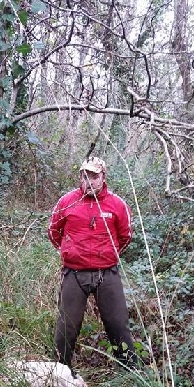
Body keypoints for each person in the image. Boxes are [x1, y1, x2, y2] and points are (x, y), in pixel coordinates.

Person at [48, 156, 137, 370]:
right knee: (66, 326)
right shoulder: (67, 201)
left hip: (107, 274)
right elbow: (53, 232)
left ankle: (130, 373)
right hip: (74, 274)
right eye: (85, 176)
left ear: (103, 177)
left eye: (94, 176)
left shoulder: (117, 204)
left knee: (118, 325)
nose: (89, 181)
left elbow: (125, 236)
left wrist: (109, 255)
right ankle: (60, 372)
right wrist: (68, 252)